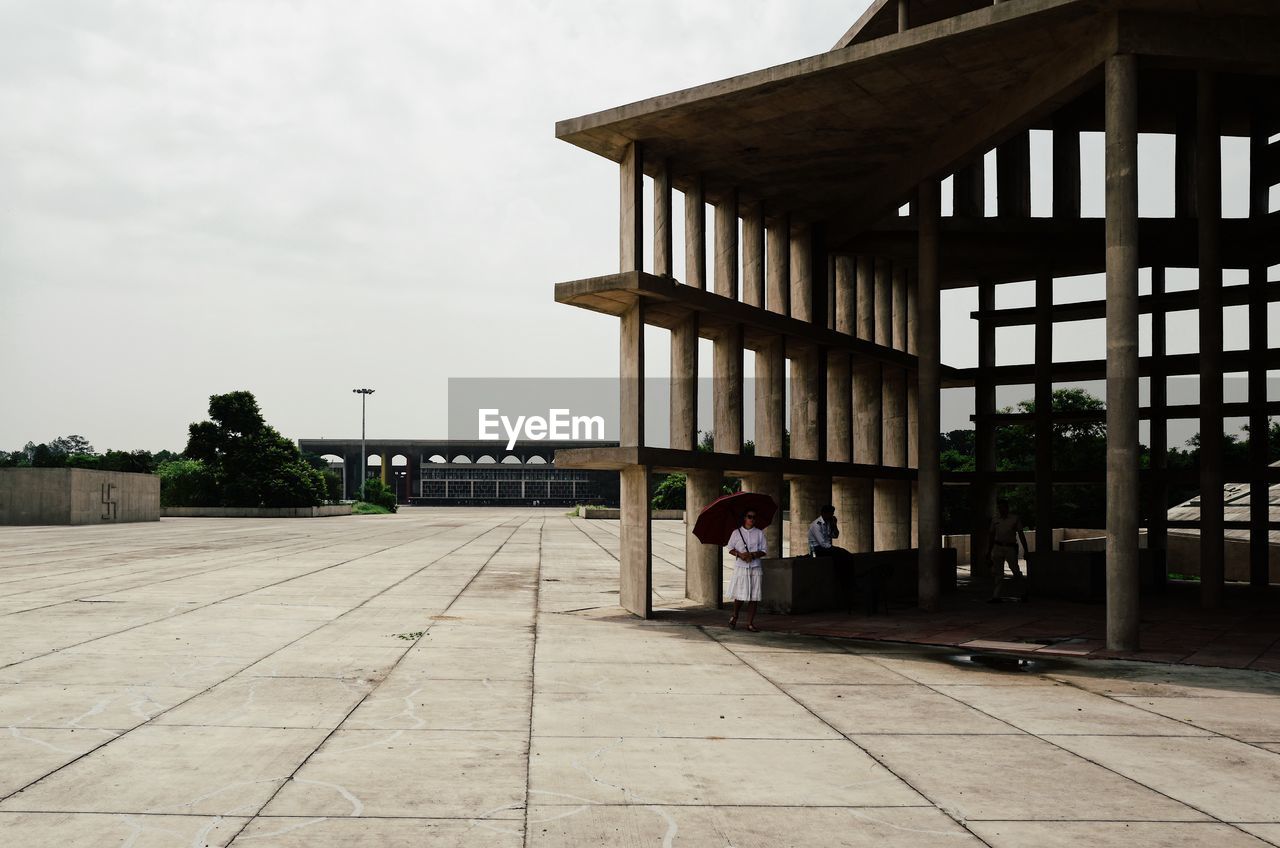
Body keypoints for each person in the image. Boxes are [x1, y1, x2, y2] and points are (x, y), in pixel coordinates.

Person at [808, 505, 860, 612]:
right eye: (830, 513)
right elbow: (822, 543)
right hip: (819, 549)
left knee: (848, 556)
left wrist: (834, 525)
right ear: (824, 513)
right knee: (842, 554)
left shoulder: (828, 523)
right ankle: (845, 581)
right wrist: (835, 549)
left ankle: (848, 580)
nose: (831, 516)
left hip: (827, 547)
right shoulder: (816, 525)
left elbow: (835, 536)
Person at [727, 510, 767, 632]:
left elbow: (764, 550)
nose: (752, 519)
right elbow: (730, 548)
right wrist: (740, 554)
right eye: (749, 517)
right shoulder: (736, 533)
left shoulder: (759, 533)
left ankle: (750, 623)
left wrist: (753, 554)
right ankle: (735, 615)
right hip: (741, 567)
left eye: (754, 517)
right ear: (745, 518)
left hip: (755, 567)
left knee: (754, 597)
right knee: (740, 595)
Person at [986, 499, 1029, 603]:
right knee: (998, 573)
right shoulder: (995, 520)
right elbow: (991, 536)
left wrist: (1026, 550)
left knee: (1015, 570)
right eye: (999, 507)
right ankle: (996, 596)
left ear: (1007, 508)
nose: (1001, 509)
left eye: (1003, 507)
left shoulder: (1014, 519)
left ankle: (1023, 593)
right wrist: (989, 551)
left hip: (1010, 548)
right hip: (998, 547)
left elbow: (1021, 535)